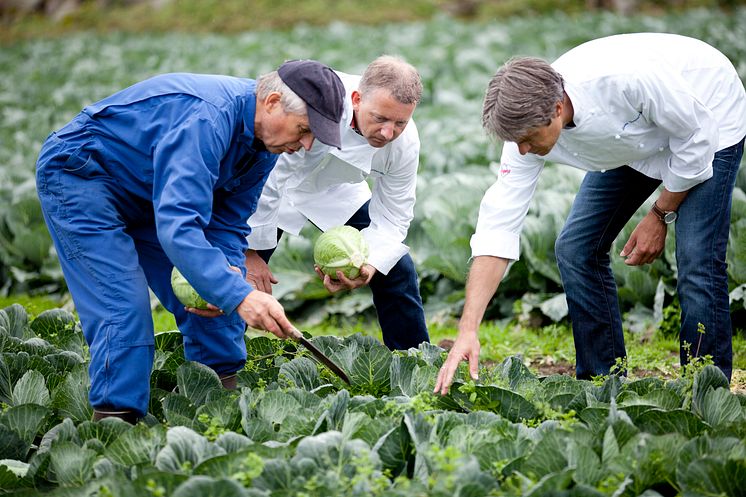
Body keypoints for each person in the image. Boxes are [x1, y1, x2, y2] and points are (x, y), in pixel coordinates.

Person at [35, 60, 346, 422]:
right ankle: (112, 431)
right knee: (122, 308)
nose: (306, 144)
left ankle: (216, 414)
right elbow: (179, 226)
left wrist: (228, 284)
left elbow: (227, 224)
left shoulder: (266, 147)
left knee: (219, 295)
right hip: (83, 175)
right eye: (305, 130)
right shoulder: (207, 119)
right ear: (273, 102)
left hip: (152, 193)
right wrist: (240, 295)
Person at [435, 33, 746, 394]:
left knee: (696, 259)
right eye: (515, 140)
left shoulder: (625, 81)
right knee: (576, 249)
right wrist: (467, 329)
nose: (522, 150)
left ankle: (706, 388)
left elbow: (696, 136)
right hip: (635, 136)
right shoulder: (524, 133)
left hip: (705, 116)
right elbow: (498, 225)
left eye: (528, 139)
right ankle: (602, 380)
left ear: (555, 110)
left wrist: (661, 214)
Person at [244, 55, 430, 350]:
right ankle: (218, 362)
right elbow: (270, 176)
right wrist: (251, 251)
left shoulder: (404, 144)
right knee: (244, 274)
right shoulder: (320, 99)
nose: (388, 133)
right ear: (356, 98)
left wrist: (370, 264)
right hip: (269, 185)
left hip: (334, 189)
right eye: (380, 118)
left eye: (400, 123)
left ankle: (414, 362)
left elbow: (395, 212)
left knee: (397, 269)